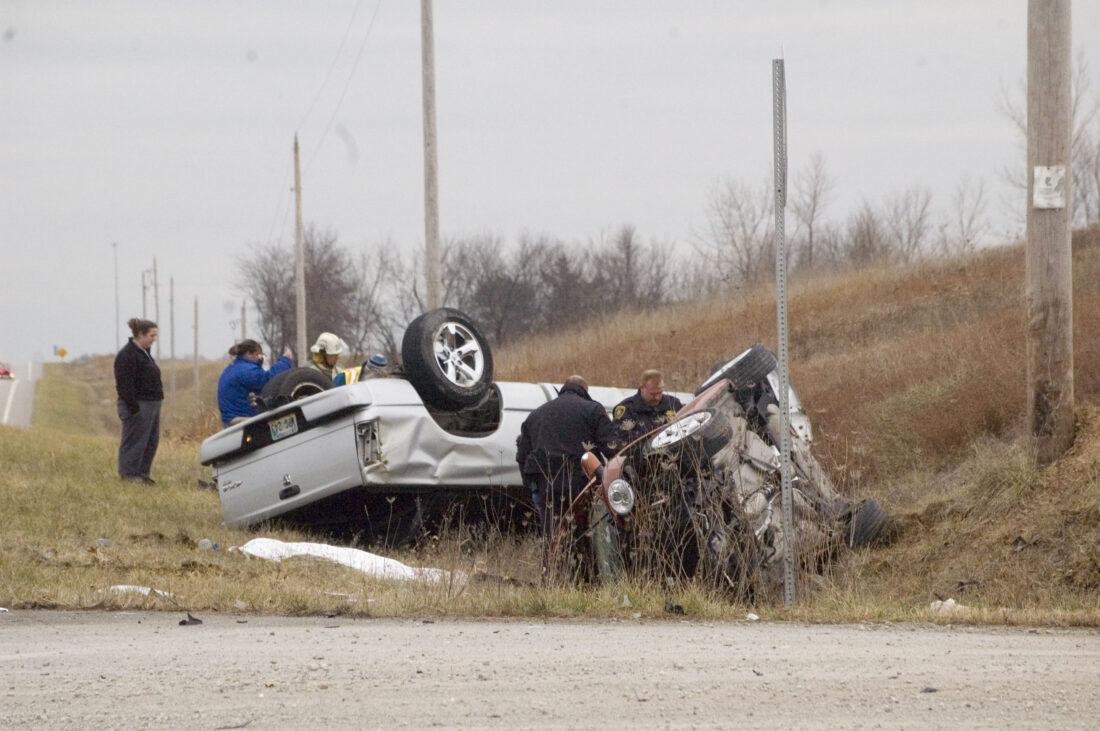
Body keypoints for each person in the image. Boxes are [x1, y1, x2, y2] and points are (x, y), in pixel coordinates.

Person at [515, 375, 616, 582]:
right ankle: (586, 583)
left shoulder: (537, 414)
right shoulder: (593, 410)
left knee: (552, 537)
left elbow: (521, 456)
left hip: (546, 485)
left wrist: (532, 488)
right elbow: (612, 449)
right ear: (585, 391)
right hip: (580, 483)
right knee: (586, 534)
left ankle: (551, 581)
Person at [114, 318, 163, 484]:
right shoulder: (127, 355)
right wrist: (133, 409)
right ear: (140, 334)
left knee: (150, 441)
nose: (153, 339)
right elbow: (124, 385)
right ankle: (129, 475)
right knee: (135, 441)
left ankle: (143, 473)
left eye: (155, 336)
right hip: (138, 405)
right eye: (151, 335)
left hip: (152, 404)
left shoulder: (144, 353)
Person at [217, 339, 294, 427]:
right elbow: (270, 380)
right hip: (241, 420)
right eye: (257, 355)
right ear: (249, 354)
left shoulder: (234, 367)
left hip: (231, 419)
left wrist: (258, 363)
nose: (258, 357)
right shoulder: (247, 370)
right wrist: (285, 360)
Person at [612, 368, 684, 447]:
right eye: (652, 394)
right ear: (642, 388)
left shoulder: (673, 404)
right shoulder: (627, 409)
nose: (657, 397)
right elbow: (620, 438)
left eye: (659, 393)